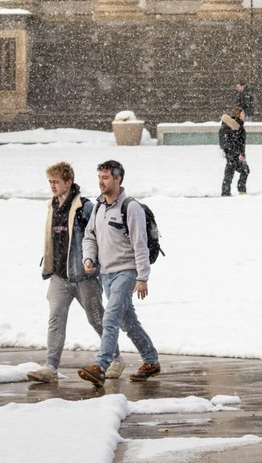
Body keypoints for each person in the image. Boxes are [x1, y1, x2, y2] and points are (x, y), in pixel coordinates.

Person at [77, 159, 160, 386]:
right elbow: (89, 236)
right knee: (128, 322)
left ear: (118, 179)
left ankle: (100, 366)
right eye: (99, 177)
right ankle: (151, 360)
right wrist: (88, 257)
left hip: (127, 272)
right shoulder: (99, 207)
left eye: (105, 178)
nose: (101, 182)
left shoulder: (130, 208)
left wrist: (142, 277)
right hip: (106, 274)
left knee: (110, 318)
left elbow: (139, 244)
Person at [27, 162, 106, 385]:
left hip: (83, 276)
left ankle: (115, 356)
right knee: (55, 318)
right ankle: (50, 366)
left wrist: (94, 263)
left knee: (96, 319)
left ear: (68, 182)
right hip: (59, 276)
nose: (52, 186)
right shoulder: (53, 206)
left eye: (56, 182)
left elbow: (98, 237)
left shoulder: (85, 207)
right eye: (50, 182)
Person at [218, 106, 249, 196]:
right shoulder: (230, 126)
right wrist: (233, 153)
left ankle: (237, 190)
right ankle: (228, 192)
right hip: (233, 154)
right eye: (243, 113)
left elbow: (241, 143)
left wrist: (242, 153)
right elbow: (226, 141)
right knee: (232, 173)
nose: (244, 115)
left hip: (237, 154)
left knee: (242, 171)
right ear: (238, 115)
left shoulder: (239, 125)